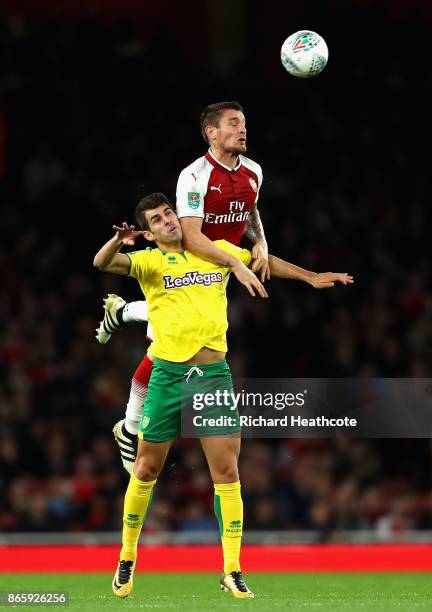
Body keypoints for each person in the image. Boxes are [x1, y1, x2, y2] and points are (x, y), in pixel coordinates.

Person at [93, 192, 353, 599]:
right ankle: (127, 557)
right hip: (168, 374)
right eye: (157, 220)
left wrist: (310, 277)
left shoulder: (214, 251)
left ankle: (232, 569)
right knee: (145, 470)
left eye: (169, 214)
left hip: (212, 377)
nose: (168, 222)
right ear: (148, 231)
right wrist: (118, 241)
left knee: (228, 473)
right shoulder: (150, 261)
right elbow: (102, 263)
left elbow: (264, 261)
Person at [96, 101, 271, 473]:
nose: (243, 129)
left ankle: (124, 312)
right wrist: (235, 262)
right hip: (206, 259)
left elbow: (250, 210)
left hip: (222, 261)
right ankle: (128, 428)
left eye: (244, 123)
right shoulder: (193, 175)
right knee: (164, 347)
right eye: (234, 123)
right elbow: (189, 234)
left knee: (167, 335)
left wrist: (261, 244)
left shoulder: (253, 170)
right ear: (212, 132)